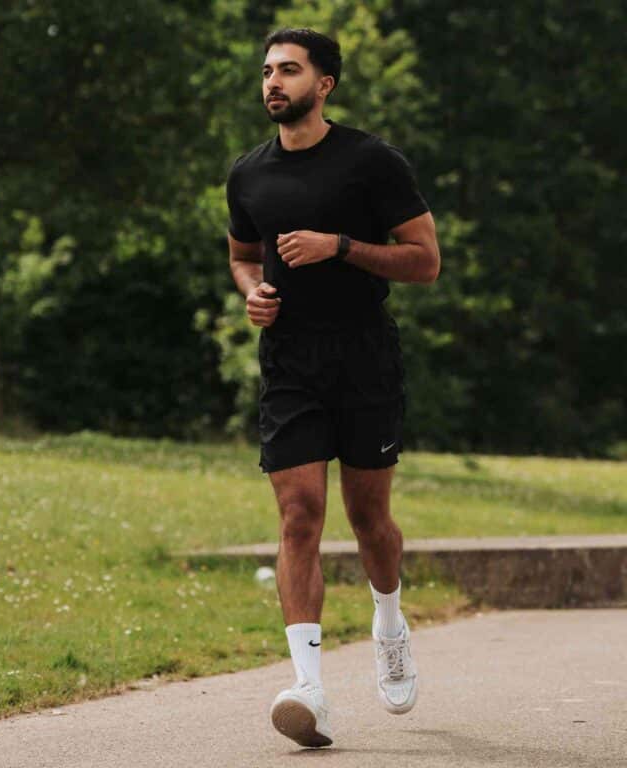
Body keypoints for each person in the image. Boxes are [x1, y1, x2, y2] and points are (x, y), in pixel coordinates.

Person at [225, 28, 441, 748]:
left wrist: (340, 248)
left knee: (370, 519)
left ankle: (389, 623)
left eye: (289, 70)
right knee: (298, 515)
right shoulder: (248, 174)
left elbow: (424, 262)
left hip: (364, 358)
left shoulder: (370, 162)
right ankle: (308, 688)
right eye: (266, 71)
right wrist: (253, 292)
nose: (272, 82)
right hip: (290, 363)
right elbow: (241, 255)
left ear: (326, 84)